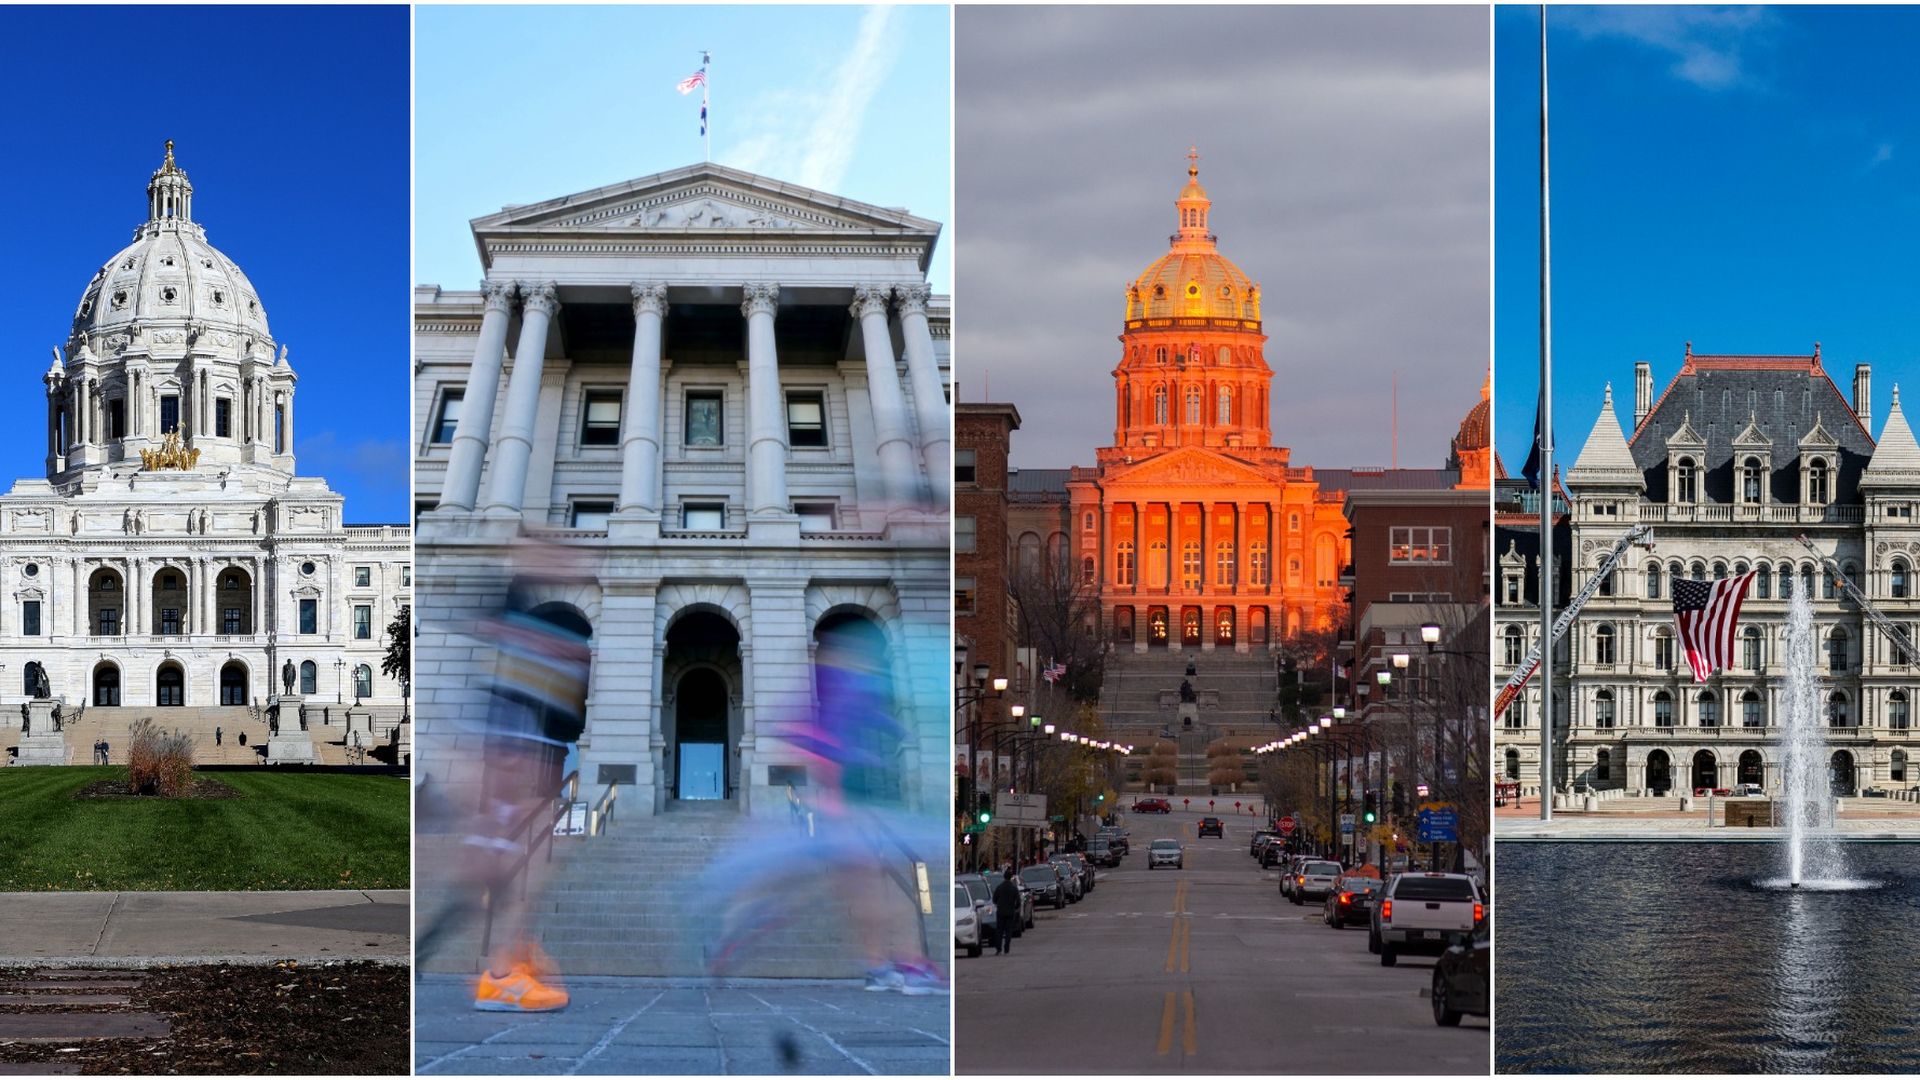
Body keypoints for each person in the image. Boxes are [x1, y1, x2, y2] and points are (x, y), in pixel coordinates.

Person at [992, 868, 1022, 955]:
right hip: (1010, 912)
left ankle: (998, 948)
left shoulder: (999, 887)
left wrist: (999, 904)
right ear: (1011, 877)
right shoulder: (1013, 888)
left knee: (999, 931)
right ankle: (1006, 948)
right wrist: (1015, 907)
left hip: (1000, 912)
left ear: (1004, 877)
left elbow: (994, 899)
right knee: (1008, 931)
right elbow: (1018, 901)